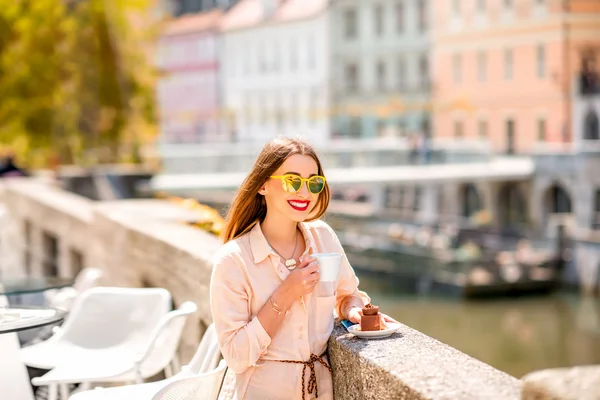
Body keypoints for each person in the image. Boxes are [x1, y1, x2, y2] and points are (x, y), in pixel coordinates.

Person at [210, 137, 395, 400]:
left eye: (313, 182)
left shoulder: (323, 238)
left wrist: (352, 310)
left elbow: (347, 293)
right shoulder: (233, 260)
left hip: (321, 390)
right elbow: (236, 356)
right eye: (292, 181)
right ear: (263, 184)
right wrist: (285, 294)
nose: (304, 193)